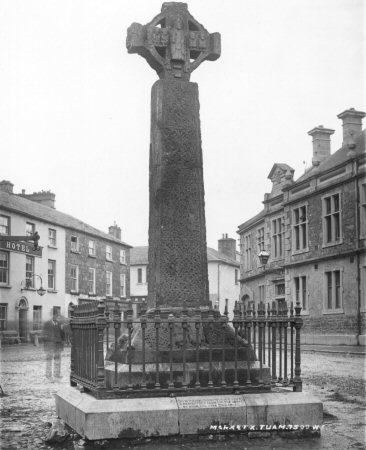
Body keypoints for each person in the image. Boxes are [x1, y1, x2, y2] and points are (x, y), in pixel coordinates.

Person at [43, 312, 65, 380]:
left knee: (58, 360)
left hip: (58, 345)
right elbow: (44, 335)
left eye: (57, 316)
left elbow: (63, 335)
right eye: (55, 315)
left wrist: (62, 345)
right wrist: (46, 346)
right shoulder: (47, 324)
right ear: (52, 316)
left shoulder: (60, 324)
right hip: (49, 345)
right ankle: (48, 375)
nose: (56, 317)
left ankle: (57, 374)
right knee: (49, 360)